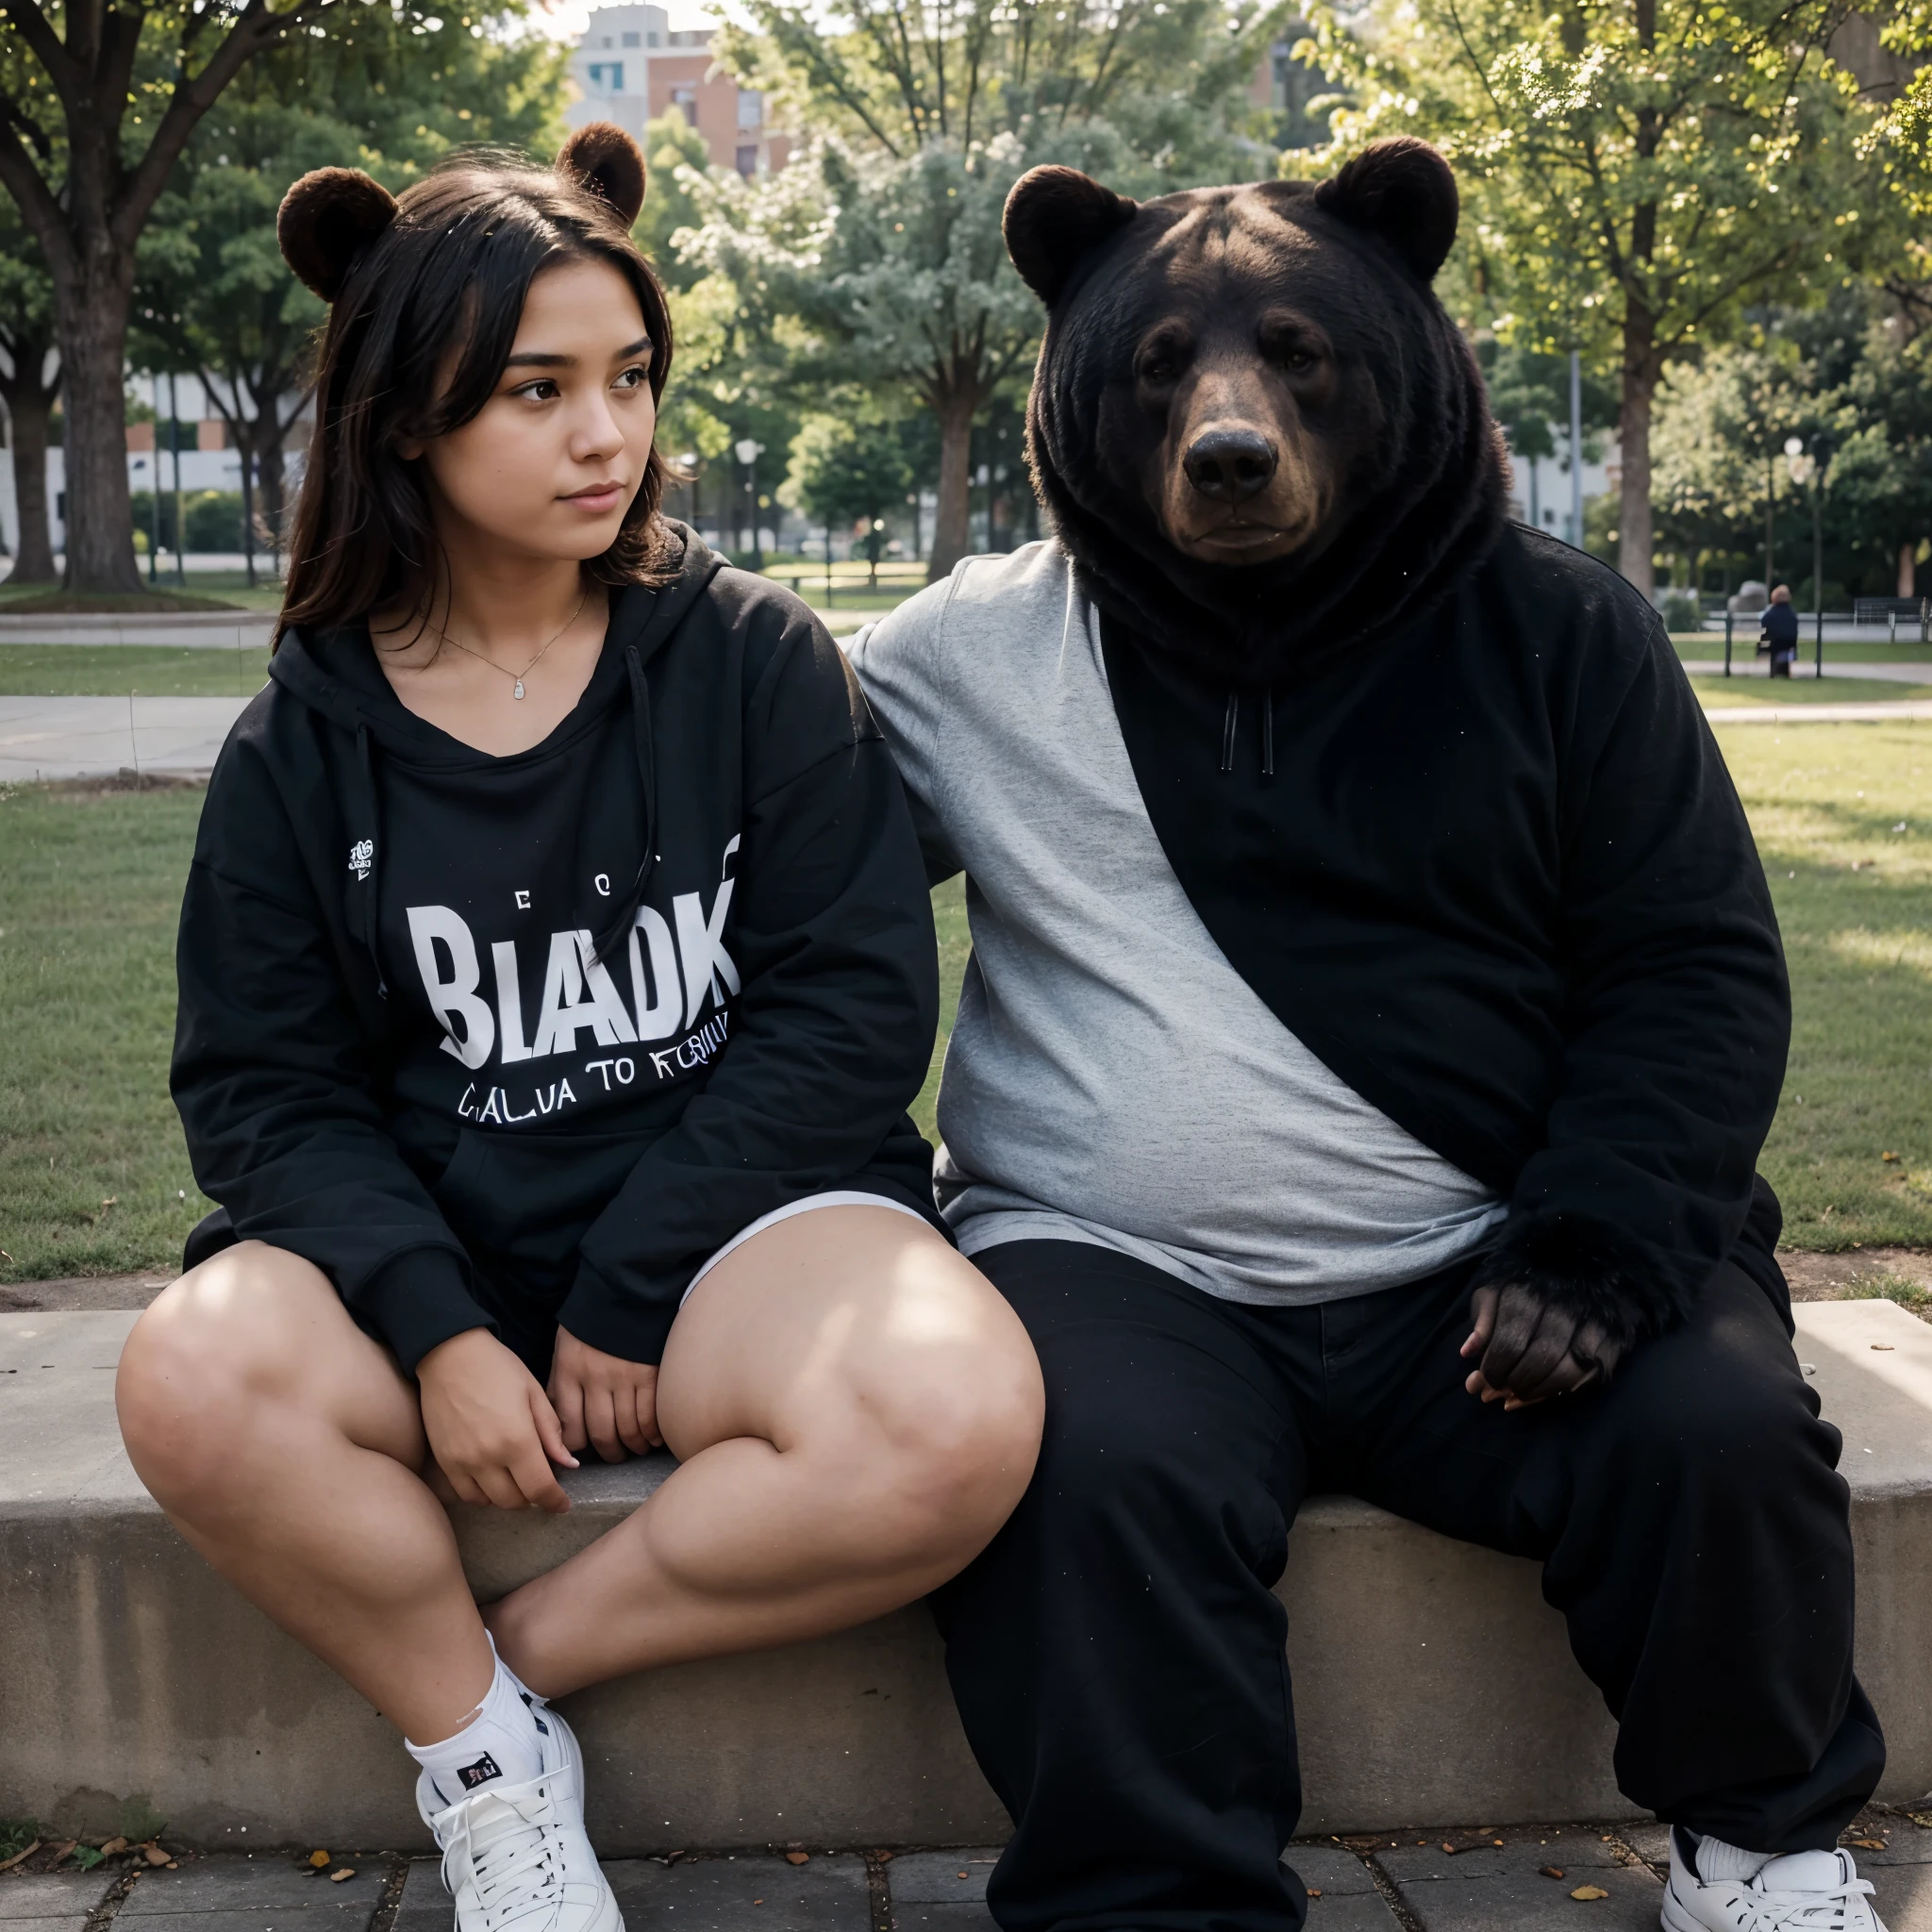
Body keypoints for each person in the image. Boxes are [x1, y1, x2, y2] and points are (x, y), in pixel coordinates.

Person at [849, 142, 1887, 1932]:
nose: (1228, 416)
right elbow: (773, 917)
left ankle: (1760, 1847)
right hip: (1116, 1263)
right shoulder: (954, 664)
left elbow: (1688, 967)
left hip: (1502, 1258)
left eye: (1293, 357)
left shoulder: (1563, 632)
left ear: (1390, 354)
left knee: (1711, 1428)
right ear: (1080, 391)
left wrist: (1598, 1248)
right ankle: (1153, 1908)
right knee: (1078, 1470)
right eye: (1163, 368)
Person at [114, 126, 1043, 1932]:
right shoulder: (298, 743)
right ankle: (483, 1774)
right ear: (408, 419)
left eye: (626, 378)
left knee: (955, 1412)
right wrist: (438, 1325)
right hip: (440, 1243)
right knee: (191, 1368)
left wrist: (630, 1280)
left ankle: (508, 1682)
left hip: (734, 1242)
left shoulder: (758, 658)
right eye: (536, 390)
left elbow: (850, 1008)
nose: (604, 434)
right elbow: (265, 1091)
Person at [1760, 583, 1801, 676]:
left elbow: (1764, 621)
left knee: (1773, 649)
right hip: (1790, 641)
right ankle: (1785, 672)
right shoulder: (1791, 611)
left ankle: (1773, 672)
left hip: (1775, 641)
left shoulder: (1772, 611)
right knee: (1785, 649)